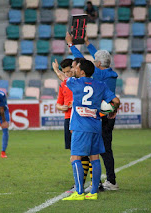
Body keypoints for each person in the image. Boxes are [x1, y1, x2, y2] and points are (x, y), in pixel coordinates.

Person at [56, 58, 120, 200]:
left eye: (76, 68)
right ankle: (93, 192)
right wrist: (113, 110)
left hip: (80, 126)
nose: (73, 70)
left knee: (75, 157)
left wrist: (57, 70)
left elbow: (63, 77)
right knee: (94, 158)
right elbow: (116, 101)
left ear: (82, 71)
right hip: (95, 126)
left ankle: (79, 193)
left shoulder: (75, 82)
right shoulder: (101, 85)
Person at [65, 32, 120, 191]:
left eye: (96, 61)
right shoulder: (109, 73)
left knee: (94, 151)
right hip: (105, 115)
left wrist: (71, 45)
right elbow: (95, 61)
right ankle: (101, 182)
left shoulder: (99, 73)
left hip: (95, 117)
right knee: (100, 151)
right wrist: (88, 43)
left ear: (99, 64)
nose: (94, 63)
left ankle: (97, 183)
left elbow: (83, 63)